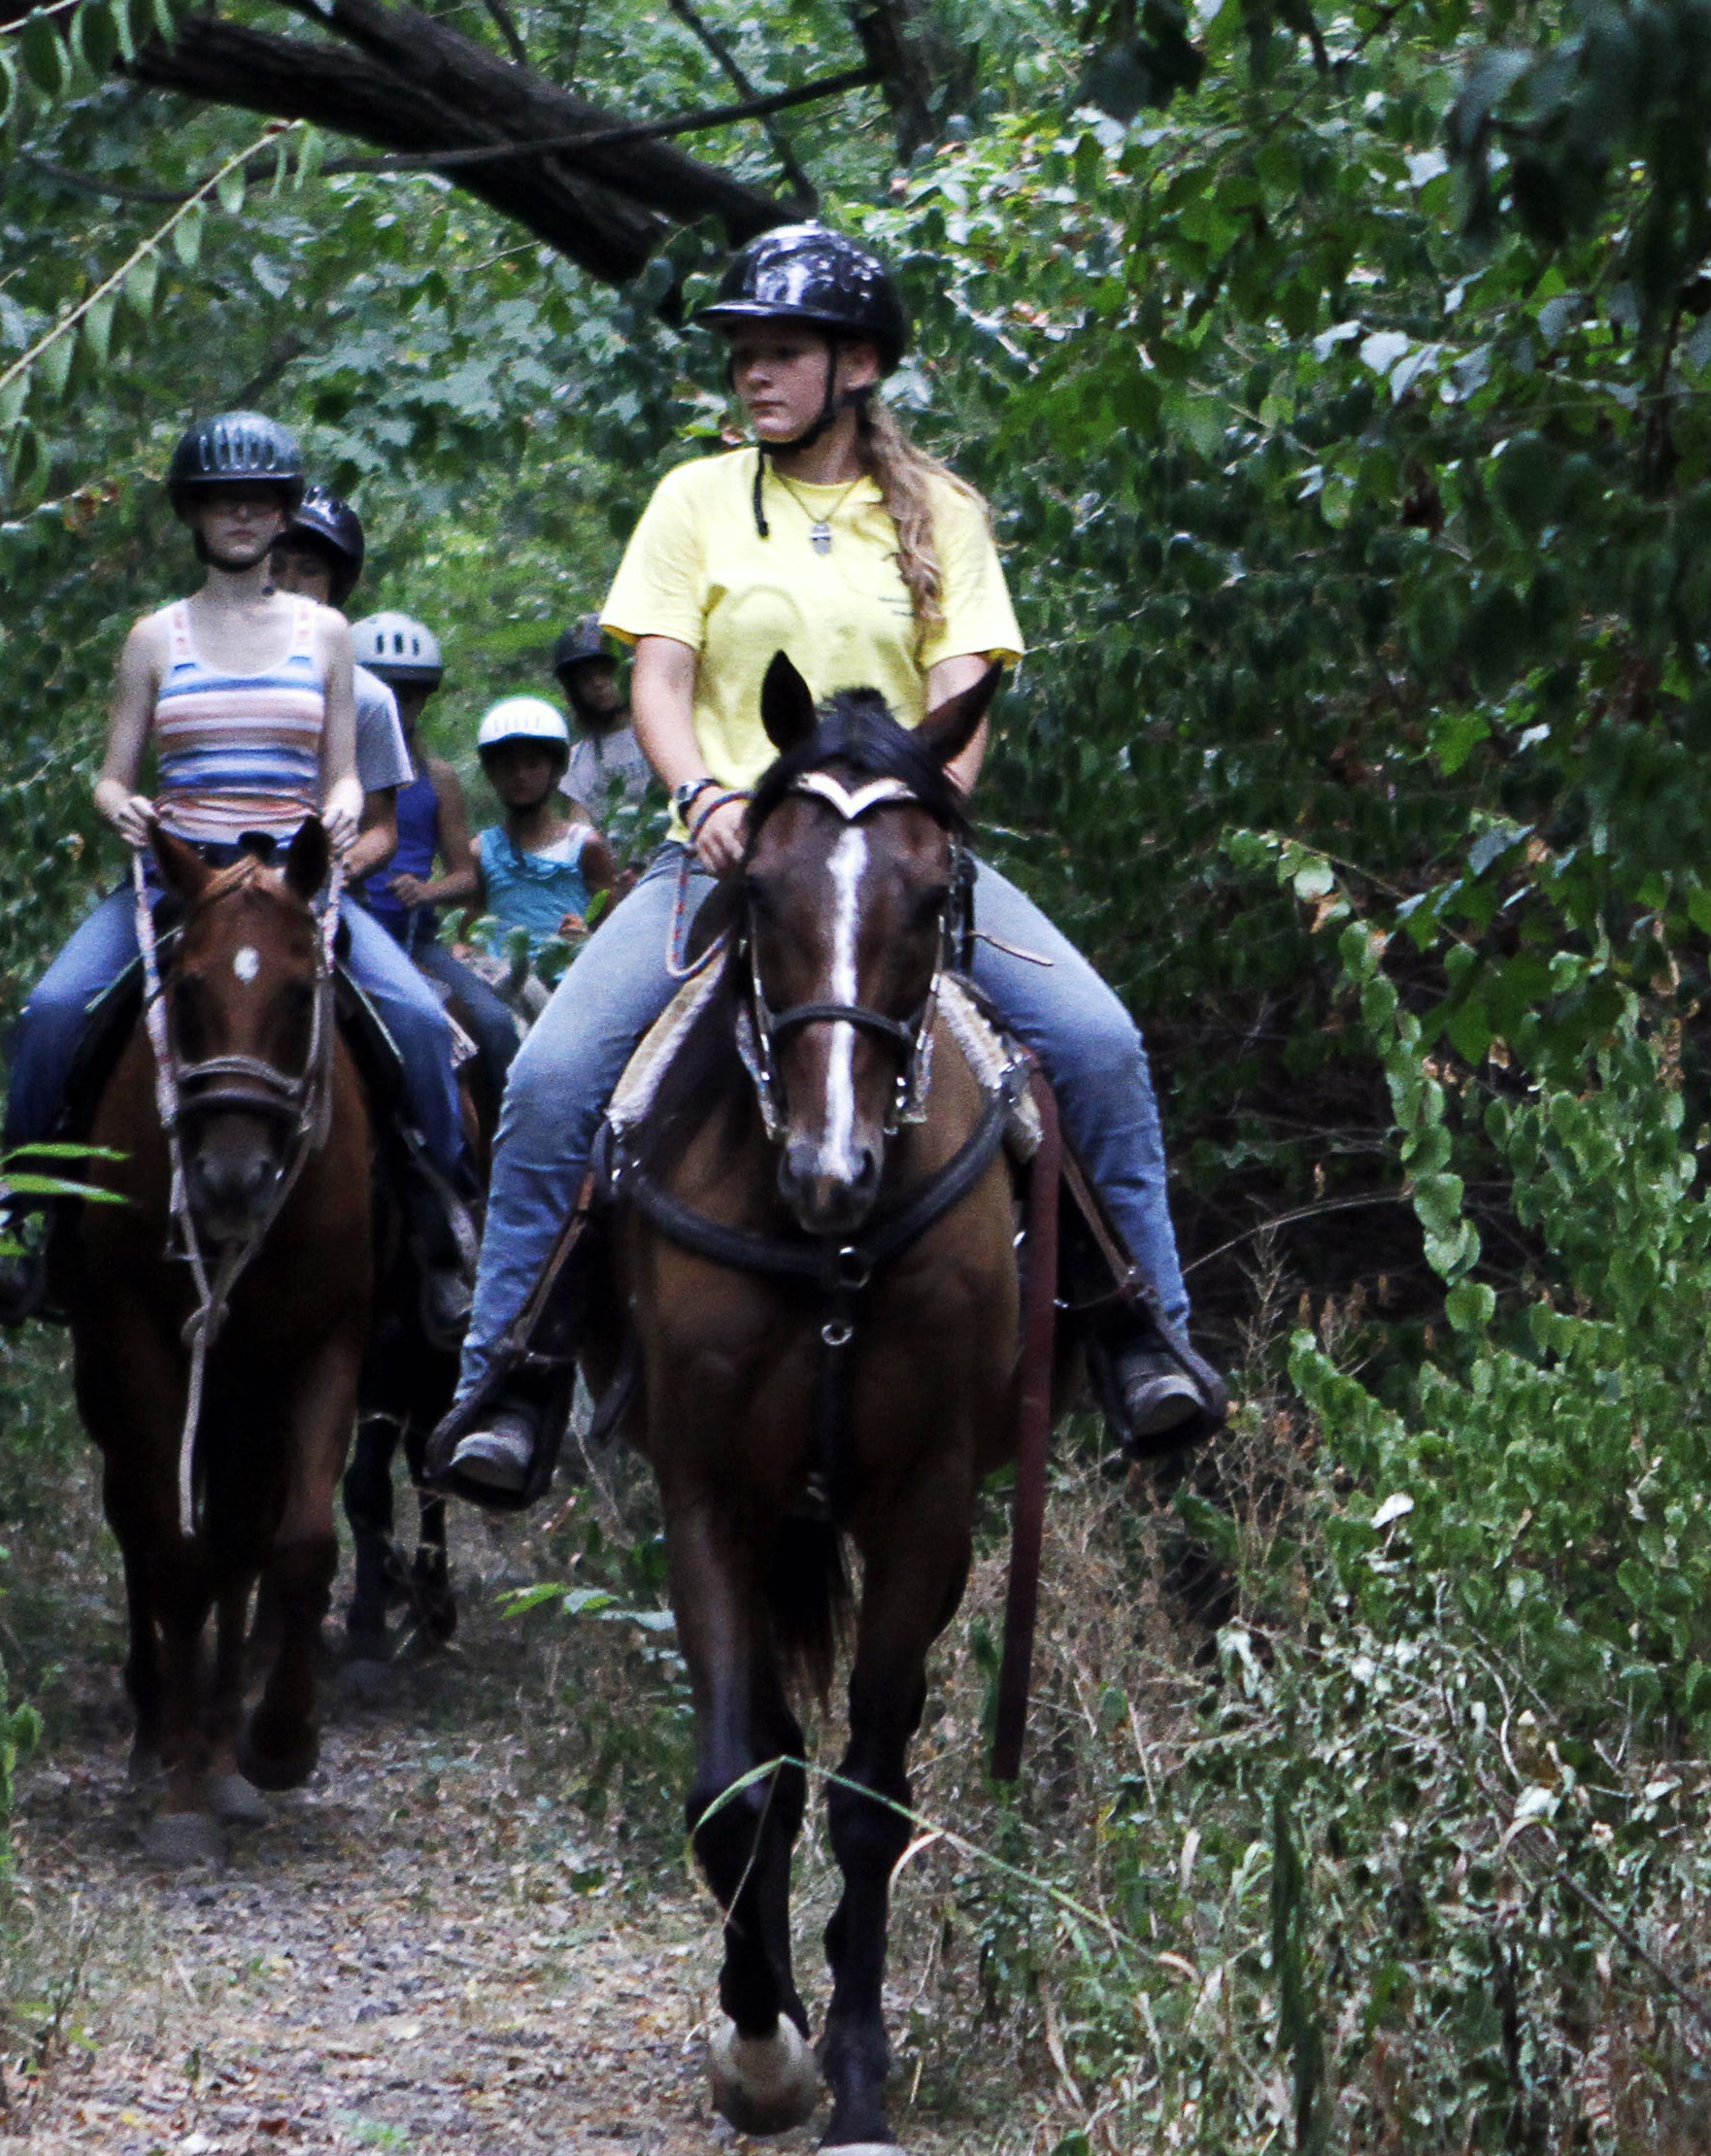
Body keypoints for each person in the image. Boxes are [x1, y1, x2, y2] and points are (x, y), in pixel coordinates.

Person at [428, 221, 1223, 1503]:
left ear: (857, 363)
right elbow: (661, 679)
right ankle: (509, 1376)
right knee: (559, 1071)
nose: (753, 374)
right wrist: (700, 795)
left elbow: (964, 691)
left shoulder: (945, 513)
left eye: (781, 351)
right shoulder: (695, 500)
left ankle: (1147, 1336)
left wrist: (923, 819)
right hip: (731, 852)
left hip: (901, 859)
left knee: (1102, 1044)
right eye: (743, 352)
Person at [0, 412, 486, 1340]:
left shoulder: (327, 634)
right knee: (52, 1010)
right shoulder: (152, 638)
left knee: (413, 1017)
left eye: (258, 501)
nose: (241, 516)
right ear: (195, 515)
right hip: (178, 882)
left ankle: (446, 1229)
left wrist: (336, 806)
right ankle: (21, 1217)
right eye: (221, 501)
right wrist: (116, 804)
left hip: (292, 892)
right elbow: (113, 771)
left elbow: (342, 774)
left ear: (282, 514)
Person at [347, 609, 527, 1098]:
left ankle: (497, 1158)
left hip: (415, 941)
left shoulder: (438, 778)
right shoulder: (336, 774)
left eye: (409, 695)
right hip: (344, 931)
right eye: (385, 693)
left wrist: (427, 891)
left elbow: (467, 876)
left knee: (492, 1022)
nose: (397, 707)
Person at [452, 695, 621, 1013]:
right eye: (507, 766)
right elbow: (469, 931)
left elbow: (612, 928)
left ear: (555, 770)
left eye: (533, 764)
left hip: (573, 984)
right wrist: (462, 951)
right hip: (505, 988)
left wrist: (586, 938)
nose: (520, 776)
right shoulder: (480, 850)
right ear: (491, 773)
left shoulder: (585, 845)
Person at [266, 491, 417, 813]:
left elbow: (380, 829)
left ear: (335, 582)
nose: (289, 583)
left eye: (309, 571)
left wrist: (334, 862)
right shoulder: (212, 674)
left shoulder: (367, 698)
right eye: (276, 568)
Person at [548, 618, 660, 843]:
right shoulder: (576, 762)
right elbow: (581, 829)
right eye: (586, 678)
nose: (598, 683)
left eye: (606, 672)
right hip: (616, 867)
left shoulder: (661, 734)